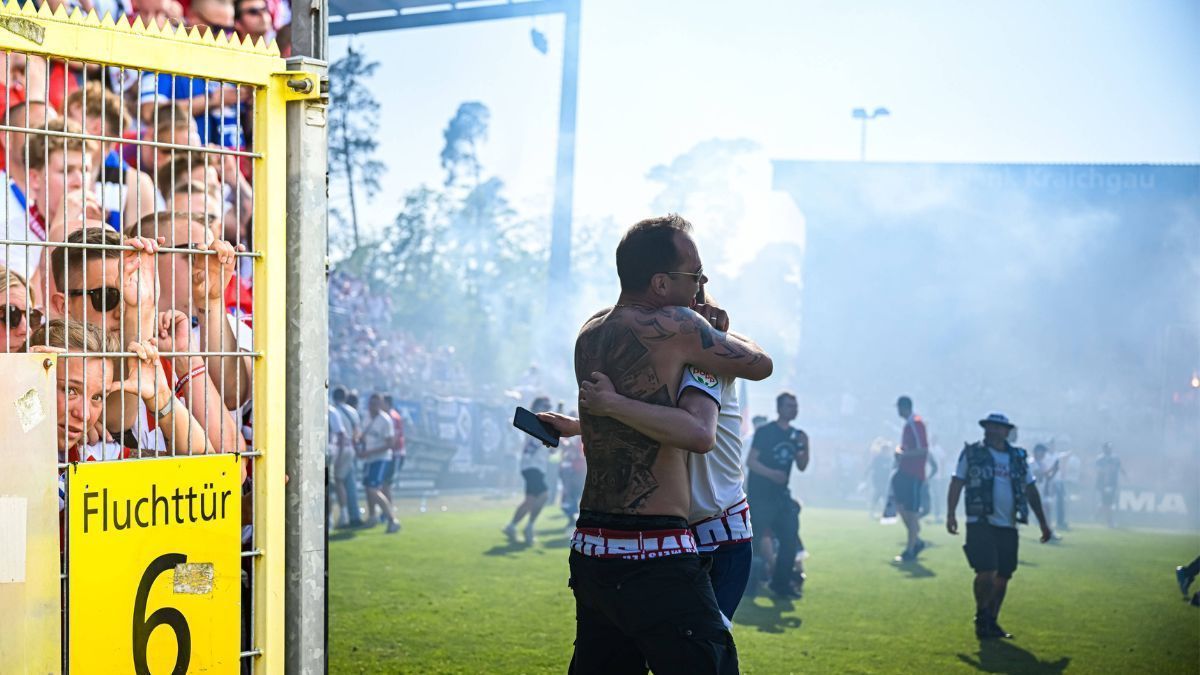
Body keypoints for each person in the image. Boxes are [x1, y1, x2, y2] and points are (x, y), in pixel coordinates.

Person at [566, 214, 772, 674]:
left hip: (591, 546)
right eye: (693, 277)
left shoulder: (589, 332)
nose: (699, 287)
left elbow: (620, 419)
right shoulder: (678, 326)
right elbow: (761, 365)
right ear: (660, 283)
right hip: (654, 549)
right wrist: (719, 332)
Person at [541, 288, 766, 624]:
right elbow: (656, 426)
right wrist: (577, 426)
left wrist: (612, 404)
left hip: (718, 536)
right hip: (681, 533)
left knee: (700, 655)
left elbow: (694, 433)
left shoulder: (707, 356)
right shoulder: (671, 355)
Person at [947, 413, 1053, 640]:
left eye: (997, 427)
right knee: (986, 571)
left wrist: (1043, 522)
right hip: (980, 521)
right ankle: (981, 615)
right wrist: (950, 513)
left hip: (1009, 523)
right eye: (989, 426)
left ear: (1007, 432)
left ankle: (992, 620)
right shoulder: (973, 453)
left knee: (1003, 575)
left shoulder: (1017, 458)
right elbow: (957, 481)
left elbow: (1030, 489)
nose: (992, 430)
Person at [746, 392, 809, 599]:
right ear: (779, 408)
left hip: (781, 496)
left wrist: (804, 446)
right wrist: (772, 474)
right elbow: (751, 462)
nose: (794, 409)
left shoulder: (797, 435)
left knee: (789, 539)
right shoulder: (765, 432)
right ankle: (749, 585)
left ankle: (780, 584)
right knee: (754, 543)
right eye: (790, 405)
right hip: (761, 496)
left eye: (796, 405)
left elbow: (802, 465)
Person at [504, 396, 553, 545]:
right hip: (531, 465)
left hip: (537, 466)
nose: (547, 407)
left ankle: (511, 526)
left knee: (530, 500)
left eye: (548, 405)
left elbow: (551, 450)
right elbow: (513, 425)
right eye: (544, 405)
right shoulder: (531, 421)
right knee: (544, 495)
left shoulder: (545, 426)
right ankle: (529, 526)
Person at [891, 395, 930, 562]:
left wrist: (904, 454)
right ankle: (916, 540)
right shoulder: (909, 424)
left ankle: (911, 548)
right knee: (900, 506)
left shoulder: (916, 423)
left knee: (912, 511)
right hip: (905, 471)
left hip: (914, 473)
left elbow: (923, 449)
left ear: (903, 407)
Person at [359, 392, 401, 534]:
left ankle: (392, 519)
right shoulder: (366, 416)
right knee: (367, 488)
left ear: (381, 404)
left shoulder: (385, 420)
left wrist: (369, 452)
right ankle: (372, 517)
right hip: (369, 458)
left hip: (381, 458)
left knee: (373, 489)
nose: (373, 406)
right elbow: (363, 435)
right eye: (371, 403)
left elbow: (390, 443)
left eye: (376, 403)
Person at [331, 385, 363, 528]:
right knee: (349, 483)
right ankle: (354, 515)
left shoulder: (333, 411)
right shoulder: (352, 411)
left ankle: (342, 516)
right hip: (350, 448)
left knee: (337, 483)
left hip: (338, 449)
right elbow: (357, 432)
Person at [379, 394, 406, 513]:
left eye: (382, 402)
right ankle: (386, 511)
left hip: (394, 455)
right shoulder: (388, 416)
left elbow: (394, 438)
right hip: (389, 454)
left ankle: (388, 512)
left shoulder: (392, 417)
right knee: (383, 484)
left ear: (387, 403)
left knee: (386, 484)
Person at [1031, 444, 1061, 540]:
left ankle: (1049, 531)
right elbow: (1038, 474)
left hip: (1042, 491)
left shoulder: (1042, 463)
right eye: (1042, 451)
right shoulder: (1032, 463)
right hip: (1033, 491)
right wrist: (1052, 468)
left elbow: (1047, 478)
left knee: (1047, 512)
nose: (1044, 454)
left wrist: (1055, 471)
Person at [1095, 442, 1125, 528]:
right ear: (1104, 449)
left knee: (1106, 503)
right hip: (1103, 484)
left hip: (1112, 483)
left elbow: (1120, 468)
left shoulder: (1115, 458)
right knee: (1108, 503)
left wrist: (1125, 476)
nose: (1109, 449)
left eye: (1110, 448)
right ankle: (1109, 522)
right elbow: (1098, 470)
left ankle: (1096, 516)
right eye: (1108, 448)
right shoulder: (1100, 459)